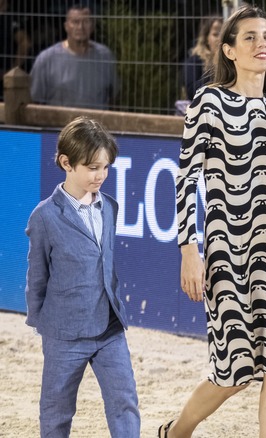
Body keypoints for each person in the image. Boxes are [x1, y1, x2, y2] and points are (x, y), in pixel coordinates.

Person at [159, 6, 266, 438]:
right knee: (233, 371)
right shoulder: (209, 101)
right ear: (229, 51)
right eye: (250, 37)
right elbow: (186, 178)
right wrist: (188, 249)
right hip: (225, 252)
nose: (262, 44)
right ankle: (177, 431)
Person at [25, 116, 140, 437]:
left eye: (105, 167)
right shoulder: (45, 216)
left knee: (124, 400)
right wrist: (44, 324)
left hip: (109, 327)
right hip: (64, 333)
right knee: (57, 410)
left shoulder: (110, 207)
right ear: (66, 163)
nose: (100, 175)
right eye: (92, 167)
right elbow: (37, 277)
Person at [30, 4, 118, 110]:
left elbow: (114, 97)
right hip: (59, 125)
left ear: (93, 26)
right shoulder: (46, 59)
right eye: (75, 22)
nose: (80, 27)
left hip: (94, 125)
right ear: (66, 26)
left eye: (86, 22)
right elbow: (34, 101)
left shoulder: (105, 56)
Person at [183, 16, 222, 100]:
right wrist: (214, 67)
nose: (220, 39)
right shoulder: (195, 60)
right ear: (206, 38)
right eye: (215, 34)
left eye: (223, 34)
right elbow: (191, 93)